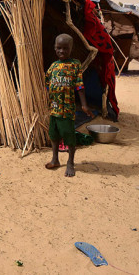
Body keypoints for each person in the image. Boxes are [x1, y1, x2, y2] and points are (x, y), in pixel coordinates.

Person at [44, 33, 93, 177]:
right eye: (59, 48)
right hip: (54, 109)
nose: (62, 51)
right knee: (54, 134)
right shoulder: (53, 66)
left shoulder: (75, 65)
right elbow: (47, 85)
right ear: (54, 48)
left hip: (67, 110)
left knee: (68, 135)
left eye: (65, 48)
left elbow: (79, 86)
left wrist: (84, 104)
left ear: (71, 48)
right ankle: (55, 159)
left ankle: (70, 162)